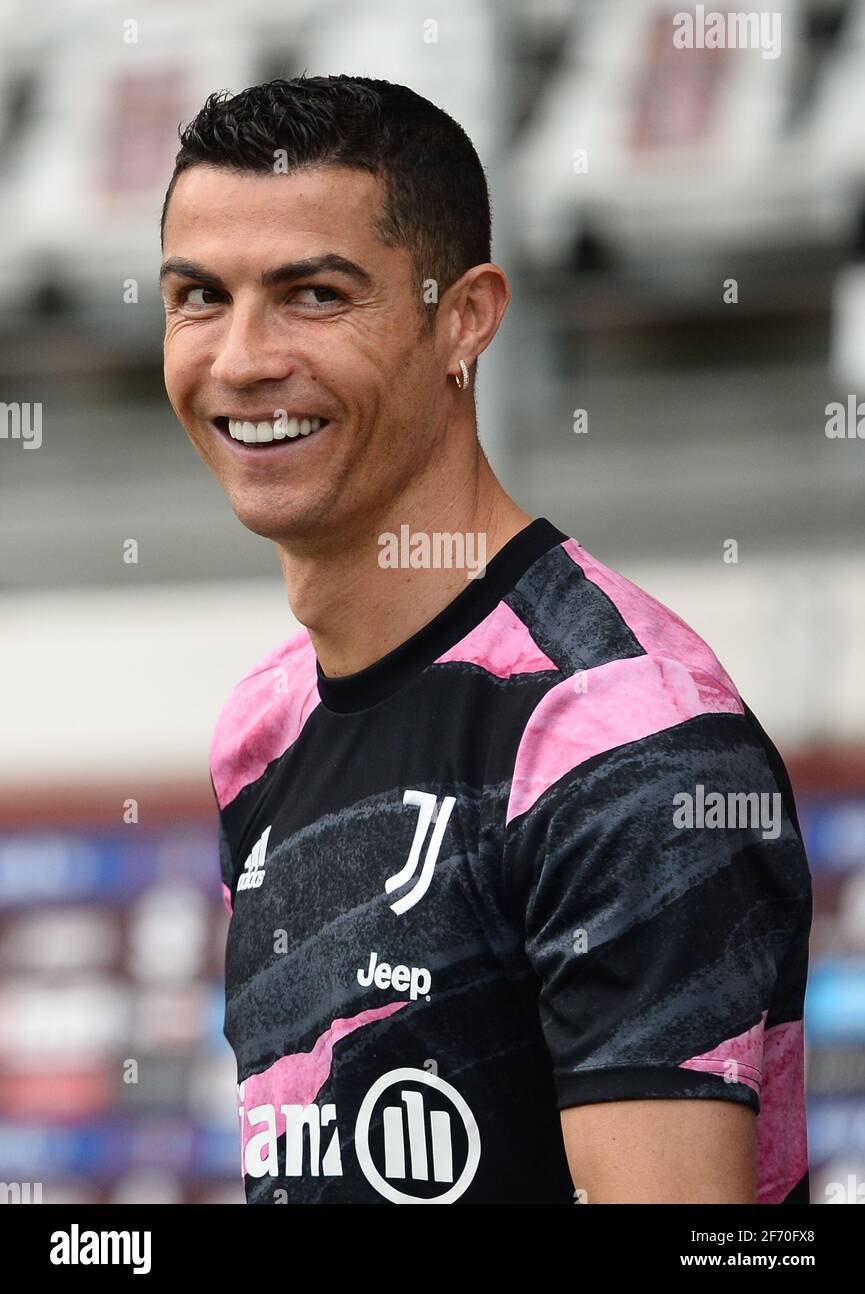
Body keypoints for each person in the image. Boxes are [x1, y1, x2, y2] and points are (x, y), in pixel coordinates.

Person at [160, 76, 811, 1204]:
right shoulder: (264, 726)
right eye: (199, 296)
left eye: (314, 294)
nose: (241, 358)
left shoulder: (618, 733)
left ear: (463, 318)